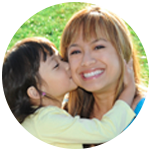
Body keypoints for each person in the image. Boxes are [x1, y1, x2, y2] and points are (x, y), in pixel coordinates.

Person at [2, 37, 136, 149]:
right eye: (56, 66)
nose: (67, 65)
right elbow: (106, 131)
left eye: (61, 59)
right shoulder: (47, 121)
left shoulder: (38, 120)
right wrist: (129, 89)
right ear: (35, 92)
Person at [60, 5, 150, 148]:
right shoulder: (63, 114)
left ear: (123, 52)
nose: (87, 61)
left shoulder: (146, 112)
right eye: (76, 52)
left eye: (98, 47)